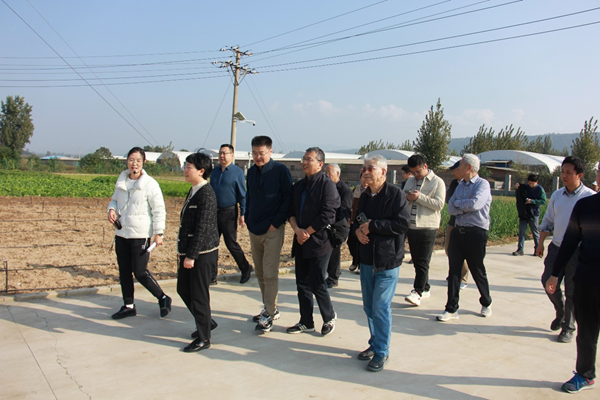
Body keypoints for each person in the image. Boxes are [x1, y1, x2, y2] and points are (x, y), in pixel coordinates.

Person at [545, 161, 600, 394]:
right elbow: (569, 242)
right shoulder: (585, 206)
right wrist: (555, 274)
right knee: (586, 332)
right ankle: (585, 374)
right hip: (587, 280)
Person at [353, 154, 410, 372]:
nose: (365, 172)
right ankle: (375, 343)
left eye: (370, 168)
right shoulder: (365, 195)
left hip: (387, 261)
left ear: (383, 172)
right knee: (369, 307)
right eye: (364, 169)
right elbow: (358, 220)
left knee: (380, 306)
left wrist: (373, 226)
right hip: (367, 260)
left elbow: (402, 224)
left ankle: (382, 352)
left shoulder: (396, 195)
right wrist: (358, 232)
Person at [537, 156, 595, 343]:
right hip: (557, 248)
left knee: (572, 290)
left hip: (578, 251)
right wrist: (540, 242)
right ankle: (560, 312)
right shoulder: (557, 196)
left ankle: (568, 328)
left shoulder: (589, 198)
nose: (564, 176)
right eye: (562, 172)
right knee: (548, 282)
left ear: (580, 175)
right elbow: (548, 220)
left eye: (569, 172)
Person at [107, 147, 171, 320]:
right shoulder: (122, 181)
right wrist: (111, 210)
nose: (134, 164)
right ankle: (128, 306)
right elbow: (114, 200)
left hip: (140, 234)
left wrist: (159, 233)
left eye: (138, 160)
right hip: (122, 233)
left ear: (143, 163)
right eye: (131, 160)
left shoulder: (150, 184)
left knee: (140, 271)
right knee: (124, 271)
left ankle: (163, 298)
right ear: (127, 161)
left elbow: (159, 210)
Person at [287, 148, 340, 335]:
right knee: (301, 282)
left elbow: (328, 214)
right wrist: (297, 230)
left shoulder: (327, 185)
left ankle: (329, 317)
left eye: (309, 159)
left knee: (317, 281)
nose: (304, 162)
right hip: (300, 240)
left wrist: (307, 232)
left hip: (319, 241)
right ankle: (306, 321)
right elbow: (291, 211)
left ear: (320, 164)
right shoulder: (299, 186)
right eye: (304, 159)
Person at [437, 154, 493, 322]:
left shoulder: (483, 185)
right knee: (454, 271)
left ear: (469, 168)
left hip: (476, 233)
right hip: (458, 232)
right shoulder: (460, 185)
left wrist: (459, 204)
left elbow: (476, 204)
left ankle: (486, 302)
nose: (458, 169)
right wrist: (464, 205)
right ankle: (451, 308)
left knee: (477, 270)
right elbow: (450, 207)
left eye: (460, 165)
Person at [246, 136, 293, 333]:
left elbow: (287, 199)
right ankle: (269, 307)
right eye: (255, 153)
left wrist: (276, 223)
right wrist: (247, 218)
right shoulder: (251, 172)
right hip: (254, 229)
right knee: (259, 272)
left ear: (271, 151)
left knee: (270, 273)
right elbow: (249, 197)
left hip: (272, 230)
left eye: (262, 153)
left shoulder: (280, 171)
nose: (258, 157)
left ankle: (270, 314)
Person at [177, 152, 220, 352]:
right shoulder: (194, 190)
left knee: (199, 295)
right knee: (183, 289)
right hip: (190, 252)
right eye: (185, 166)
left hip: (201, 254)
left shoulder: (206, 194)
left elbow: (202, 228)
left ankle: (204, 338)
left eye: (189, 167)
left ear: (201, 171)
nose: (185, 170)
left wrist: (191, 256)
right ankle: (206, 322)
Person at [403, 154, 446, 306]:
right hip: (412, 225)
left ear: (425, 166)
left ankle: (417, 291)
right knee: (417, 260)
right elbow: (403, 197)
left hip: (428, 226)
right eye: (413, 172)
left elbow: (439, 205)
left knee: (423, 260)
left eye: (418, 171)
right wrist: (408, 197)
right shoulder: (410, 181)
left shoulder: (437, 182)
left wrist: (419, 197)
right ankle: (425, 287)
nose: (416, 174)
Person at [210, 144, 253, 284]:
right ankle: (211, 275)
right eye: (220, 153)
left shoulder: (237, 172)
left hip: (229, 212)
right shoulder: (215, 172)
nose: (222, 156)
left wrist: (243, 213)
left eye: (225, 153)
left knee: (231, 243)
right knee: (212, 244)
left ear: (232, 155)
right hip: (214, 212)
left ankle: (245, 268)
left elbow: (242, 194)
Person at [324, 163, 353, 288]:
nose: (327, 175)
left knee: (334, 252)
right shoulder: (326, 187)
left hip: (338, 226)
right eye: (326, 173)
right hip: (327, 224)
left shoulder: (345, 190)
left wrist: (331, 219)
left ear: (337, 174)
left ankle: (333, 278)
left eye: (329, 173)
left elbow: (344, 211)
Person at [445, 160, 469, 290]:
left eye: (456, 170)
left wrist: (457, 203)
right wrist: (459, 204)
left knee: (463, 252)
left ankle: (462, 278)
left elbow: (470, 204)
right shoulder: (454, 183)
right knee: (449, 249)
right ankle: (453, 273)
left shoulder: (471, 185)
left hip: (465, 224)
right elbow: (449, 200)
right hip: (453, 221)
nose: (454, 173)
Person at [512, 174, 546, 256]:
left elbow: (543, 201)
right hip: (524, 212)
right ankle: (520, 249)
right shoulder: (525, 187)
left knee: (535, 231)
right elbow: (519, 193)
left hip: (534, 213)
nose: (531, 185)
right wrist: (518, 188)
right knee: (522, 231)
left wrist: (532, 201)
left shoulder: (540, 189)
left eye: (533, 184)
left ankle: (537, 249)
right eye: (530, 183)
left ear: (537, 182)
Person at [348, 173, 368, 273]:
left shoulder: (370, 192)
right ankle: (355, 261)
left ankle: (360, 264)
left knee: (361, 243)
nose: (365, 180)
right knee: (351, 242)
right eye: (363, 177)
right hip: (353, 220)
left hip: (364, 222)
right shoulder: (355, 190)